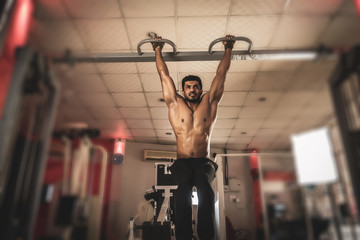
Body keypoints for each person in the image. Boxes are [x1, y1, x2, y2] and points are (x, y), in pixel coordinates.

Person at [153, 35, 235, 240]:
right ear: (183, 90)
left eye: (195, 86)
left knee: (204, 188)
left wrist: (228, 49)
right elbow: (164, 75)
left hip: (204, 162)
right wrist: (157, 50)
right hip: (181, 162)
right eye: (188, 87)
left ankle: (206, 236)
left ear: (201, 89)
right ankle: (184, 236)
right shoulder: (174, 104)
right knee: (182, 191)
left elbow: (221, 74)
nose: (192, 89)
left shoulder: (210, 102)